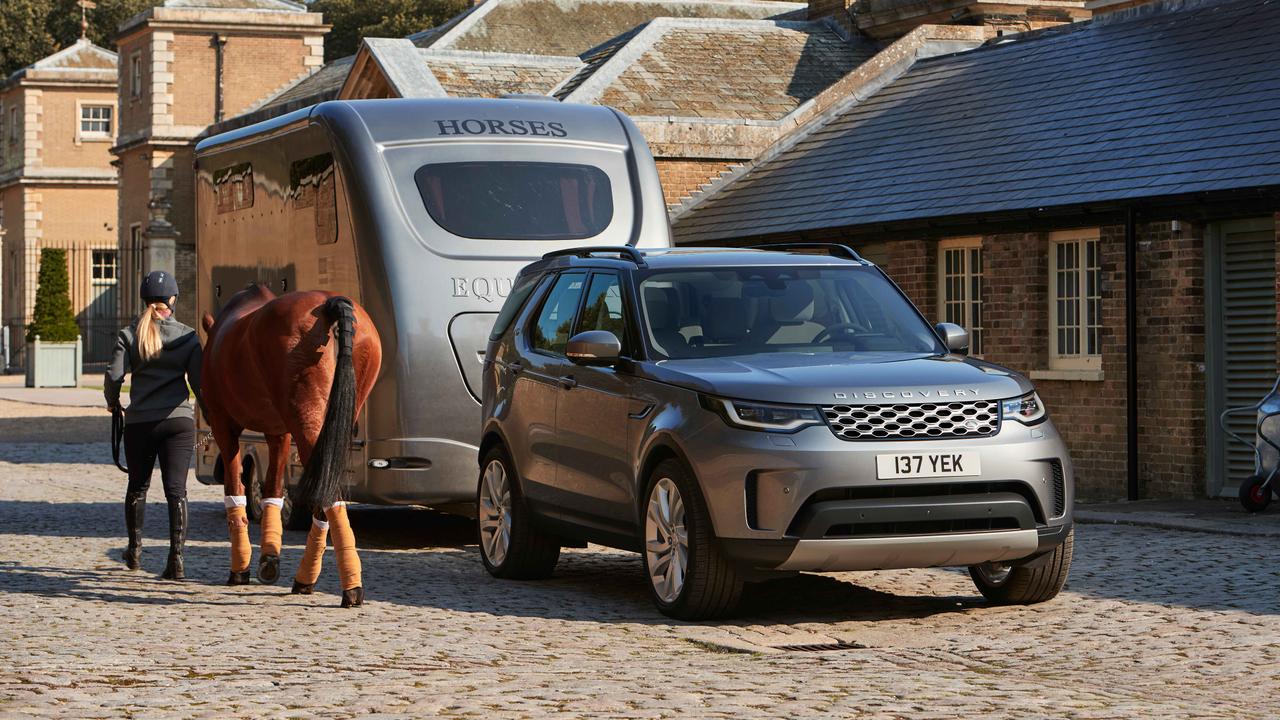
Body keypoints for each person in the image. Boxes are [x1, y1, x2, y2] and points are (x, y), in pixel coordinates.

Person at [105, 271, 204, 580]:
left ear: (144, 299)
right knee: (177, 491)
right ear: (173, 299)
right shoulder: (188, 336)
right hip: (178, 421)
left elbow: (113, 377)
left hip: (141, 422)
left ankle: (134, 551)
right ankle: (176, 559)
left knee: (138, 486)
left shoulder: (130, 334)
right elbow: (200, 385)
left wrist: (113, 403)